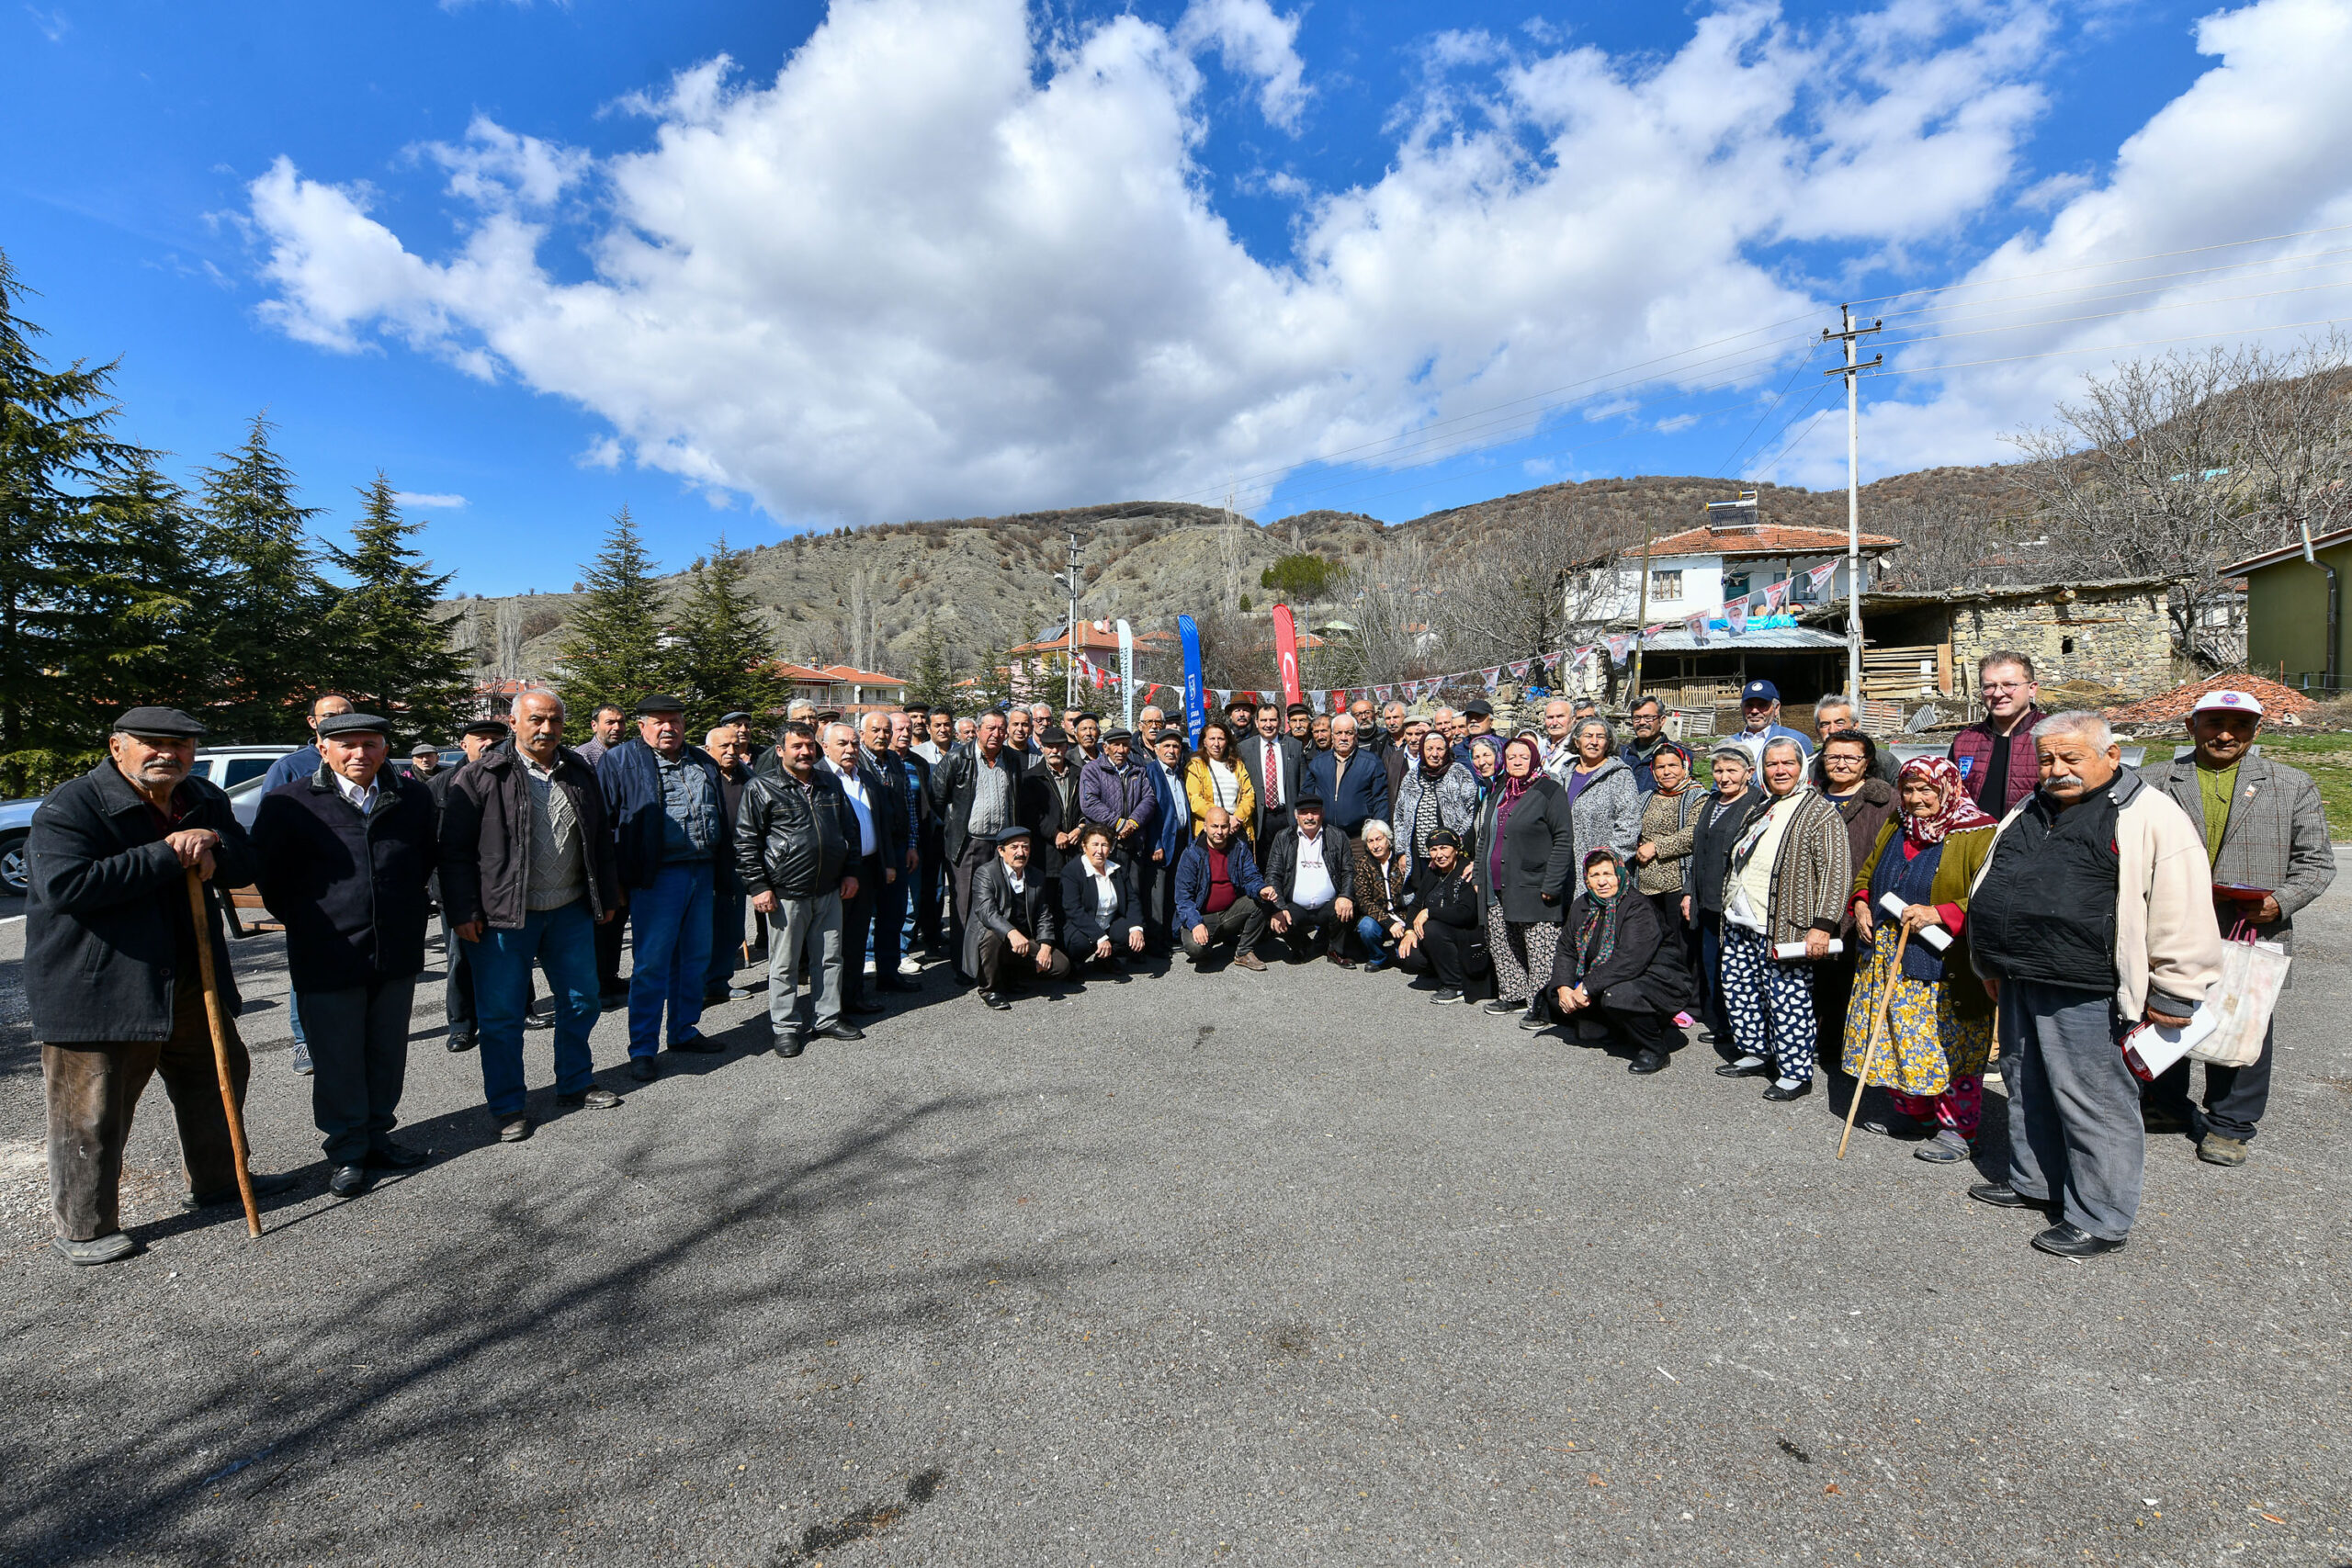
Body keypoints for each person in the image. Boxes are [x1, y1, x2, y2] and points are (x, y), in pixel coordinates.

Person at [28, 707, 297, 1266]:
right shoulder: (73, 805)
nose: (167, 754)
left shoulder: (200, 796)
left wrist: (213, 842)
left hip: (190, 976)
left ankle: (220, 1181)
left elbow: (240, 862)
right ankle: (84, 1225)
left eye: (180, 745)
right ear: (116, 746)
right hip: (101, 985)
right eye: (151, 743)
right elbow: (66, 885)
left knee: (216, 1078)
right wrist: (167, 852)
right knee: (92, 1109)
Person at [1966, 712, 2223, 1258]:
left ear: (2111, 756)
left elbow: (2182, 910)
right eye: (2047, 759)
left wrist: (2177, 988)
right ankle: (2036, 1180)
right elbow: (1995, 879)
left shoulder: (2150, 815)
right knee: (2024, 1081)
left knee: (2094, 1100)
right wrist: (1988, 960)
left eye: (2071, 758)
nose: (2056, 770)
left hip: (2091, 984)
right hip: (2020, 973)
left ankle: (2101, 1216)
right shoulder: (2029, 807)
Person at [2134, 689, 2334, 1163]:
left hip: (2252, 928)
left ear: (2255, 731)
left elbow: (2317, 863)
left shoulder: (2291, 785)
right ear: (2191, 726)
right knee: (2164, 1009)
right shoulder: (2153, 781)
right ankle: (2166, 1106)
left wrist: (2279, 902)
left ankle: (2230, 1124)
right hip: (2170, 924)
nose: (2225, 734)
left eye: (2239, 726)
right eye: (2213, 723)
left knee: (2245, 1021)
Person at [253, 712, 437, 1198]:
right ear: (322, 748)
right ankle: (347, 1150)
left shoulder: (411, 796)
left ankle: (379, 1136)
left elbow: (425, 859)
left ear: (384, 747)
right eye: (348, 744)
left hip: (395, 948)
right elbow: (273, 882)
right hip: (328, 951)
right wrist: (316, 922)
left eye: (371, 743)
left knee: (385, 1052)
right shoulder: (290, 803)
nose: (361, 753)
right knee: (337, 1058)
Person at [439, 690, 624, 1143]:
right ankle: (507, 1106)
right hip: (504, 918)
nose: (546, 729)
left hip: (570, 910)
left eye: (555, 721)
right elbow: (453, 852)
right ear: (514, 722)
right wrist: (461, 910)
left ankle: (576, 1082)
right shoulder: (482, 775)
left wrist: (609, 896)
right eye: (537, 720)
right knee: (501, 1016)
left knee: (581, 1000)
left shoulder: (580, 771)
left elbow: (600, 837)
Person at [1842, 757, 1999, 1163]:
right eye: (1908, 789)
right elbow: (1868, 873)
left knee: (1947, 1046)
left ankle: (1956, 1130)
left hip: (1942, 963)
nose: (1915, 799)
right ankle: (1915, 1115)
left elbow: (1993, 895)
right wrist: (1860, 902)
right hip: (1888, 954)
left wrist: (1942, 912)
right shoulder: (1896, 824)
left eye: (1926, 789)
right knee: (1899, 1039)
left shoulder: (1977, 833)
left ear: (1948, 788)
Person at [597, 694, 729, 1080]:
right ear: (642, 726)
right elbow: (603, 826)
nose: (668, 727)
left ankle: (684, 1031)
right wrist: (616, 882)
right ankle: (642, 1048)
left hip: (701, 872)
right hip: (656, 878)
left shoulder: (703, 761)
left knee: (694, 959)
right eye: (658, 721)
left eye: (674, 720)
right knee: (652, 965)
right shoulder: (620, 760)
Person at [1713, 736, 1849, 1102]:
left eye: (1787, 763)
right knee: (1741, 989)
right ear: (1762, 770)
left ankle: (1794, 1071)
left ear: (1802, 766)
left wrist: (1823, 925)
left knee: (1787, 998)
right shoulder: (1763, 807)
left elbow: (1836, 873)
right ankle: (1755, 1051)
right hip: (1743, 918)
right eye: (1772, 764)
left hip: (1786, 924)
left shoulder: (1818, 811)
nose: (1780, 770)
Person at [737, 721, 861, 1055]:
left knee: (830, 958)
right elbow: (746, 842)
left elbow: (849, 830)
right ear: (780, 751)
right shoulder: (761, 788)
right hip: (786, 892)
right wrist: (759, 886)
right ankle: (786, 1026)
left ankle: (827, 1017)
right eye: (797, 746)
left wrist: (850, 872)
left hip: (829, 888)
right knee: (784, 964)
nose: (806, 752)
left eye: (809, 746)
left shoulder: (829, 783)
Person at [1553, 849, 1689, 1074]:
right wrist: (1563, 988)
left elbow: (1629, 960)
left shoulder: (1637, 906)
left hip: (1658, 981)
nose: (1602, 881)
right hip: (1609, 977)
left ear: (1619, 875)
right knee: (1555, 995)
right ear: (1587, 879)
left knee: (1617, 996)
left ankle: (1654, 1049)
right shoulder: (1583, 905)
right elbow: (1567, 949)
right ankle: (1614, 1028)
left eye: (1608, 874)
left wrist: (1586, 988)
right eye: (1595, 875)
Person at [1471, 737, 1576, 1025]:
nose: (1517, 761)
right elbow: (1485, 837)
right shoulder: (1501, 789)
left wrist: (1552, 883)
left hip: (1533, 883)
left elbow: (1563, 838)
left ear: (1534, 758)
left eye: (1523, 756)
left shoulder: (1548, 790)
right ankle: (1513, 993)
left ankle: (1541, 1005)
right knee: (1503, 941)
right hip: (1496, 883)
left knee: (1539, 948)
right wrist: (1480, 873)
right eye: (1512, 756)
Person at [427, 716, 514, 1055]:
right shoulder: (445, 782)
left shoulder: (513, 777)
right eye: (480, 738)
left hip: (505, 886)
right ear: (463, 744)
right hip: (459, 889)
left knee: (512, 953)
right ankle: (462, 1025)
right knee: (460, 958)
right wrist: (440, 891)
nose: (488, 743)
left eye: (495, 737)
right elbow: (436, 844)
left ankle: (523, 1009)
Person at [1813, 730, 1897, 1070]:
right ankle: (1820, 1043)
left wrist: (1868, 900)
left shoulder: (1885, 800)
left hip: (1860, 903)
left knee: (1851, 979)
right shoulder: (1812, 797)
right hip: (1814, 902)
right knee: (1817, 978)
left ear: (1868, 763)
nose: (1841, 763)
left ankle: (1849, 1050)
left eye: (1851, 757)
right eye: (1833, 756)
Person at [927, 708, 1030, 976]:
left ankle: (995, 965)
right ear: (979, 729)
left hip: (1001, 846)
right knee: (965, 906)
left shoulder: (1011, 758)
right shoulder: (957, 758)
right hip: (968, 843)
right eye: (990, 728)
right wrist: (955, 823)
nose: (996, 734)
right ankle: (964, 966)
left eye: (1000, 729)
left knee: (1000, 903)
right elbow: (937, 797)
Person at [1685, 744, 1761, 1054]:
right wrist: (1690, 892)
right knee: (1711, 961)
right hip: (1706, 897)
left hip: (1735, 902)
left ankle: (1738, 1027)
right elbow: (1697, 848)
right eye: (1718, 770)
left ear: (1749, 773)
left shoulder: (1757, 804)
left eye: (1732, 770)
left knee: (1736, 967)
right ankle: (1722, 1022)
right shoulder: (1712, 801)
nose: (1724, 777)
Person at [821, 720, 899, 1018]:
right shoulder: (820, 777)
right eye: (842, 743)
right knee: (832, 944)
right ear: (825, 746)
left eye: (854, 743)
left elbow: (881, 824)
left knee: (855, 939)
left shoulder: (865, 777)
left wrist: (887, 862)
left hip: (866, 869)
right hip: (837, 874)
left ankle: (854, 996)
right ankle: (830, 1005)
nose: (851, 749)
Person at [1632, 739, 1702, 1017]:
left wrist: (1656, 847)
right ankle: (1663, 996)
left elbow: (1693, 834)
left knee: (1683, 946)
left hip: (1676, 882)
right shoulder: (1647, 796)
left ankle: (1691, 1003)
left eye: (1673, 765)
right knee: (1656, 946)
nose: (1666, 771)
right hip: (1647, 885)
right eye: (1660, 767)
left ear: (1685, 766)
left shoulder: (1697, 796)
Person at [854, 710, 922, 995]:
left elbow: (909, 805)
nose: (882, 735)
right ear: (862, 734)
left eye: (886, 730)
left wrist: (911, 845)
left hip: (896, 846)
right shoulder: (855, 763)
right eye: (875, 730)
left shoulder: (894, 760)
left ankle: (889, 971)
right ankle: (855, 981)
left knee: (892, 914)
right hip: (867, 851)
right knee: (860, 916)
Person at [967, 825, 1069, 1008]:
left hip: (1023, 940)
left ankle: (1010, 976)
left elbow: (1043, 915)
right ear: (1001, 850)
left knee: (1061, 966)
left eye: (1026, 847)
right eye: (1014, 847)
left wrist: (1046, 945)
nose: (1021, 852)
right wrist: (1012, 933)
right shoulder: (985, 873)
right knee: (992, 937)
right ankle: (990, 989)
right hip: (995, 936)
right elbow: (987, 912)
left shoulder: (1036, 875)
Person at [1174, 807, 1278, 971]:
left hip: (1231, 911)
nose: (1219, 832)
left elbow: (1251, 877)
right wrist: (1195, 924)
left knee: (1262, 901)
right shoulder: (1191, 855)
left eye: (1224, 826)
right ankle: (1206, 946)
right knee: (1195, 949)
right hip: (1203, 916)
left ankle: (1243, 952)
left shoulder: (1239, 848)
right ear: (1205, 827)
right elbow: (1183, 898)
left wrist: (1260, 889)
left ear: (1230, 827)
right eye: (1214, 826)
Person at [1394, 829, 1489, 1002]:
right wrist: (1408, 932)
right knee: (1409, 957)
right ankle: (1439, 971)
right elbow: (1416, 903)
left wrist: (1430, 912)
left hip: (1467, 935)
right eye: (1433, 850)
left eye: (1444, 848)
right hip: (1442, 935)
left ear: (1455, 849)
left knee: (1431, 928)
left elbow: (1466, 913)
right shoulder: (1433, 871)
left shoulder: (1465, 869)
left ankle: (1455, 985)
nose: (1439, 855)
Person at [1950, 651, 2044, 818]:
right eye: (1989, 686)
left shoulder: (2055, 736)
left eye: (2009, 685)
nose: (1998, 694)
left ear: (2032, 689)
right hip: (1976, 842)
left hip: (2035, 843)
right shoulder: (1964, 742)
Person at [1261, 796, 1355, 964]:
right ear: (1296, 815)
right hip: (1295, 906)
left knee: (1346, 909)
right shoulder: (1283, 837)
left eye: (1314, 812)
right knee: (1278, 918)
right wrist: (1279, 907)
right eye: (1304, 813)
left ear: (1323, 814)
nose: (1309, 817)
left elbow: (1348, 871)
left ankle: (1335, 950)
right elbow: (1273, 874)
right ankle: (1303, 946)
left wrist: (1346, 896)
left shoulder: (1338, 836)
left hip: (1330, 904)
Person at [704, 721, 757, 1006]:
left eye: (735, 745)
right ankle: (695, 987)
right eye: (724, 746)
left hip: (738, 864)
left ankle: (718, 984)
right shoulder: (699, 775)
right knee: (703, 931)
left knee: (732, 929)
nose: (731, 750)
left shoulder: (747, 776)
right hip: (707, 865)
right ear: (708, 748)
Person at [888, 712, 943, 964]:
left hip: (915, 843)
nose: (905, 734)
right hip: (885, 843)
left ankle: (902, 950)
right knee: (883, 904)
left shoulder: (918, 763)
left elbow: (927, 804)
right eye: (899, 729)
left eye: (909, 729)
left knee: (912, 900)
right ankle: (873, 954)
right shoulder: (878, 762)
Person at [1060, 822, 1146, 979]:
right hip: (1082, 925)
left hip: (1109, 922)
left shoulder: (1117, 869)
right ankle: (1075, 964)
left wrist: (1136, 928)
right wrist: (1100, 936)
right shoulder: (1072, 871)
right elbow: (1073, 910)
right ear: (1084, 846)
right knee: (1080, 943)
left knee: (1130, 933)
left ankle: (1107, 960)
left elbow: (1132, 899)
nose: (1099, 851)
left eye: (1104, 845)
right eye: (1095, 844)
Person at [1559, 716, 1644, 868]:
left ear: (1608, 743)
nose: (1594, 742)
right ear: (1576, 741)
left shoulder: (1619, 775)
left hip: (1602, 869)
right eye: (1588, 736)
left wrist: (1607, 861)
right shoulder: (1565, 773)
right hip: (1564, 867)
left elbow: (1629, 824)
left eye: (1600, 737)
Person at [1396, 728, 1479, 864]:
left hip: (1451, 854)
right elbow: (1399, 816)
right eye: (1429, 749)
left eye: (1440, 749)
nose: (1434, 754)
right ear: (1422, 750)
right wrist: (1401, 852)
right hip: (1418, 855)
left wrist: (1459, 839)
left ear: (1446, 751)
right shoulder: (1411, 777)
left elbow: (1473, 809)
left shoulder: (1459, 772)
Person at [1141, 727, 1192, 951]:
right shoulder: (1150, 772)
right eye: (1167, 746)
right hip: (1160, 842)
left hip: (1181, 839)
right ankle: (1156, 941)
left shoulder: (1180, 773)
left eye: (1176, 747)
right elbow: (1149, 812)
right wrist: (1155, 843)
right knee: (1157, 894)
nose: (1172, 751)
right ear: (1156, 748)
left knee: (1175, 888)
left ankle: (1172, 934)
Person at [1080, 727, 1158, 871]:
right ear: (1105, 747)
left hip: (1134, 842)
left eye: (1125, 745)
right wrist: (1118, 823)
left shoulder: (1138, 770)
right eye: (1116, 744)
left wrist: (1133, 823)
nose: (1121, 750)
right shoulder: (1092, 770)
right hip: (1104, 843)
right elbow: (1089, 803)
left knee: (1133, 891)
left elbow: (1149, 799)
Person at [1304, 714, 1390, 838]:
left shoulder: (1371, 763)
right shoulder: (1318, 763)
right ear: (1332, 736)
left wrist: (1379, 832)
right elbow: (1306, 796)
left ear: (1356, 735)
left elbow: (1381, 799)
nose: (1343, 738)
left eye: (1348, 733)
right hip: (1325, 835)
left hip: (1359, 837)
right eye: (1339, 733)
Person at [257, 691, 356, 792]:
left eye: (346, 715)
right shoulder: (289, 767)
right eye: (329, 716)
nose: (339, 721)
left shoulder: (366, 759)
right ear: (313, 722)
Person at [1349, 820, 1414, 969]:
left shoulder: (1401, 861)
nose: (1375, 845)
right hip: (1377, 917)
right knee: (1366, 927)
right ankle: (1378, 956)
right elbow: (1364, 901)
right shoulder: (1362, 864)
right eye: (1370, 841)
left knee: (1409, 962)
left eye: (1379, 839)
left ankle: (1399, 951)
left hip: (1403, 915)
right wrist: (1389, 922)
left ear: (1388, 839)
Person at [1027, 725, 1088, 876]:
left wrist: (1081, 828)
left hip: (1077, 851)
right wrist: (1055, 833)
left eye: (1059, 746)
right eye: (1049, 747)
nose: (1054, 751)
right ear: (1042, 748)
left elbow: (1089, 805)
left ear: (1066, 747)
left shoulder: (1081, 774)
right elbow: (1032, 813)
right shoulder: (1031, 778)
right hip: (1047, 855)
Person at [1240, 702, 1303, 847]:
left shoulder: (1294, 746)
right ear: (1256, 722)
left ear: (1280, 722)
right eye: (1263, 720)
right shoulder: (1244, 748)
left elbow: (1302, 784)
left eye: (1272, 720)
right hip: (1261, 818)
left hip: (1288, 816)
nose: (1268, 725)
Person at [1184, 719, 1255, 839]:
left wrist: (1237, 818)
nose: (1216, 744)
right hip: (1210, 830)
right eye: (1212, 739)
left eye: (1220, 739)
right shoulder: (1195, 766)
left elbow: (1249, 795)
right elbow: (1195, 800)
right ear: (1204, 742)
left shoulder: (1238, 765)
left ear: (1227, 741)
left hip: (1236, 825)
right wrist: (1223, 819)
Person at [1811, 695, 1899, 785]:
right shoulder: (1809, 765)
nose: (1832, 730)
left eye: (1839, 723)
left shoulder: (1883, 761)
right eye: (1825, 724)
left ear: (1855, 725)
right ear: (1817, 730)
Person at [1728, 681, 1813, 767]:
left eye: (1762, 705)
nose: (1754, 711)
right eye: (1749, 705)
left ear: (1776, 708)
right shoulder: (1729, 744)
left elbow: (1809, 778)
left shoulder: (1796, 740)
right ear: (1741, 707)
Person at [1618, 696, 1672, 792]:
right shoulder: (1621, 754)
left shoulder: (1678, 755)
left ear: (1662, 720)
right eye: (1637, 718)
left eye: (1648, 718)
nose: (1642, 722)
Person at [1384, 716, 1430, 807]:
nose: (1413, 740)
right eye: (1409, 734)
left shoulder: (1435, 758)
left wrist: (1432, 736)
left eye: (1418, 734)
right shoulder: (1391, 760)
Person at [1536, 698, 1577, 782]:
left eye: (1560, 716)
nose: (1554, 723)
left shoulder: (1578, 747)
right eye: (1550, 717)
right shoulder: (1538, 745)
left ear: (1572, 719)